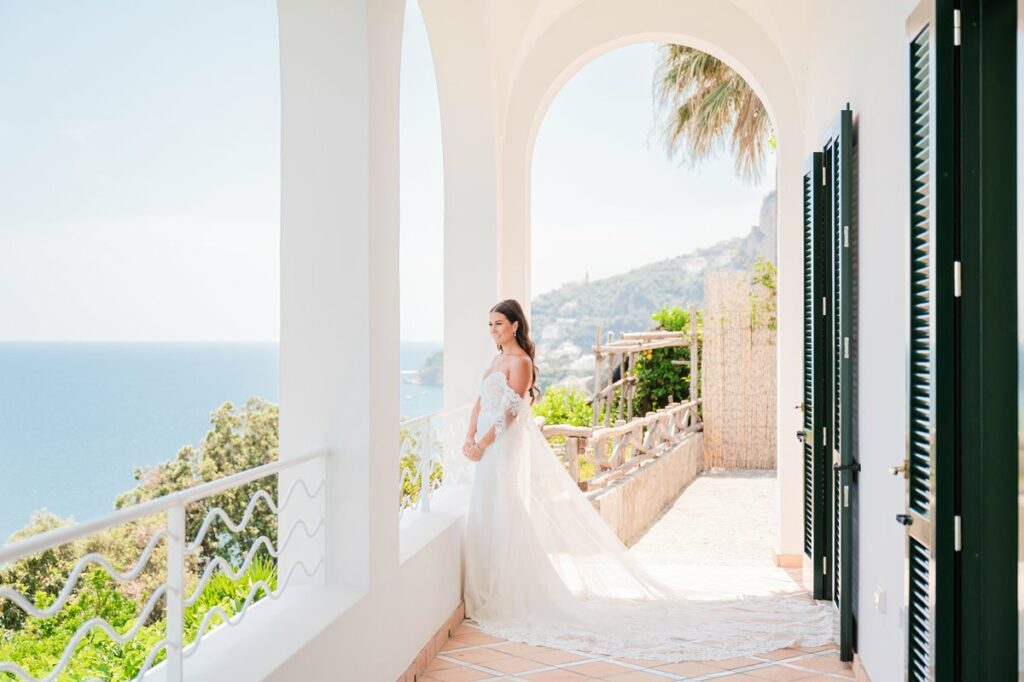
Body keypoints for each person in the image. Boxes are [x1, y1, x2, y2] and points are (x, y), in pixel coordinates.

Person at [459, 298, 837, 662]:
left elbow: (509, 413)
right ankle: (492, 591)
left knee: (505, 514)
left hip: (501, 449)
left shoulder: (520, 362)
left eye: (499, 324)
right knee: (489, 514)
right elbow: (480, 403)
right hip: (484, 448)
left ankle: (508, 594)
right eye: (489, 324)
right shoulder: (495, 359)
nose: (493, 330)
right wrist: (467, 437)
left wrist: (483, 443)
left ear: (515, 325)